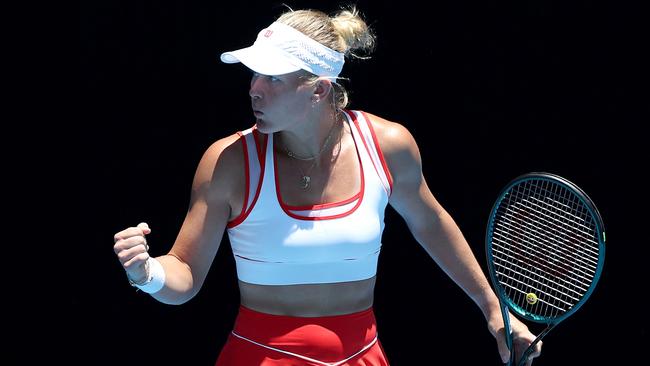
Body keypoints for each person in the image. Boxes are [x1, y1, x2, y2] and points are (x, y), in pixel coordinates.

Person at [113, 5, 543, 365]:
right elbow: (184, 276)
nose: (254, 90)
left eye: (273, 79)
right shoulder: (228, 162)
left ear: (318, 90)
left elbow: (431, 224)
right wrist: (147, 273)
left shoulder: (389, 146)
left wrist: (492, 308)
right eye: (253, 75)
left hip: (364, 355)